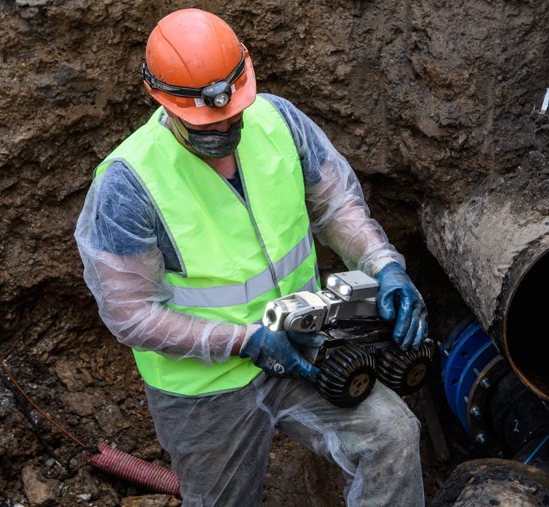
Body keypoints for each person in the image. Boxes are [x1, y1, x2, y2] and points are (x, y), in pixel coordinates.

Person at [75, 8, 428, 506]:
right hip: (205, 387)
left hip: (307, 344)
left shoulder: (278, 122)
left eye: (231, 114)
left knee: (390, 436)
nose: (223, 129)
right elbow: (129, 315)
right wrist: (244, 341)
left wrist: (383, 264)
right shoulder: (128, 185)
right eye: (205, 123)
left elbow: (335, 205)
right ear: (161, 100)